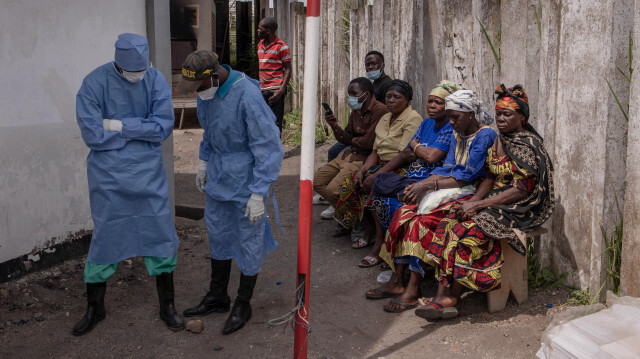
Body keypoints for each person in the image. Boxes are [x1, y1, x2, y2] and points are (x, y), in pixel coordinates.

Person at [73, 33, 183, 335]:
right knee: (107, 235)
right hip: (109, 177)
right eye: (131, 72)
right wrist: (139, 127)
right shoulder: (94, 83)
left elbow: (162, 127)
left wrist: (118, 124)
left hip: (148, 174)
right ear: (118, 65)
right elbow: (92, 134)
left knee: (159, 232)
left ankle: (167, 307)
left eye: (141, 70)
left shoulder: (155, 79)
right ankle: (95, 309)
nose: (138, 77)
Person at [414, 85, 554, 320]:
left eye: (507, 114)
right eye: (498, 113)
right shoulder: (501, 140)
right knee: (448, 222)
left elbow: (522, 190)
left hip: (520, 206)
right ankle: (442, 296)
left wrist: (478, 206)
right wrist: (472, 202)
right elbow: (489, 177)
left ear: (522, 117)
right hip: (493, 201)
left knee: (463, 232)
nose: (500, 118)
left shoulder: (528, 144)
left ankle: (451, 297)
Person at [176, 50, 284, 334]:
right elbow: (210, 134)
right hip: (220, 179)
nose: (196, 93)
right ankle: (218, 296)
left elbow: (268, 147)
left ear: (213, 76)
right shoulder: (207, 94)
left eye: (198, 86)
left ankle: (243, 302)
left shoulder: (246, 95)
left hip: (247, 182)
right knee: (219, 233)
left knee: (249, 240)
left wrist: (259, 193)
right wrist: (202, 164)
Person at [366, 89, 498, 313]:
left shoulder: (485, 136)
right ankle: (398, 282)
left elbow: (466, 175)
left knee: (421, 221)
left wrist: (428, 185)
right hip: (450, 185)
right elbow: (447, 168)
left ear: (470, 114)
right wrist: (420, 184)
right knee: (402, 213)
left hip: (469, 191)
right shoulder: (458, 133)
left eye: (455, 117)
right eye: (451, 116)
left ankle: (413, 289)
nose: (452, 121)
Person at [357, 81, 461, 268]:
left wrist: (417, 146)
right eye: (430, 101)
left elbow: (431, 156)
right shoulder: (427, 123)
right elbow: (407, 151)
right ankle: (385, 246)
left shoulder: (450, 128)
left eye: (439, 102)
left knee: (396, 204)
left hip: (430, 180)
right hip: (411, 175)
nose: (432, 106)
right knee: (376, 191)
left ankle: (399, 259)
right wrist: (418, 148)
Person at [333, 80, 423, 244]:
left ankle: (379, 239)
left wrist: (376, 175)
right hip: (380, 164)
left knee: (374, 188)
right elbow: (376, 150)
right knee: (353, 182)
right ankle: (367, 228)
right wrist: (363, 170)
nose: (391, 100)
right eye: (388, 96)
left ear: (407, 100)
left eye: (397, 97)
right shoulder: (386, 118)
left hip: (399, 168)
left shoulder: (413, 119)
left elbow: (404, 155)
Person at [313, 78, 389, 227]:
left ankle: (356, 221)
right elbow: (346, 138)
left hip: (363, 158)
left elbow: (368, 143)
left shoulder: (380, 111)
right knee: (317, 181)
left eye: (354, 94)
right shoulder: (356, 110)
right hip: (348, 155)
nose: (351, 98)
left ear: (366, 94)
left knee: (332, 190)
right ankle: (348, 214)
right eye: (349, 94)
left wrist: (354, 139)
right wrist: (334, 124)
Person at [320, 50, 393, 173]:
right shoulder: (373, 84)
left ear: (383, 65)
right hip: (358, 134)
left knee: (343, 154)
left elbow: (383, 116)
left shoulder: (387, 86)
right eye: (367, 64)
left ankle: (341, 186)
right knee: (333, 151)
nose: (370, 67)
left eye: (374, 64)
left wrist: (353, 140)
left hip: (370, 135)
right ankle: (330, 180)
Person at [257, 17, 292, 135]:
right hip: (262, 89)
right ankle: (267, 149)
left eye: (259, 29)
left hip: (275, 90)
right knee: (263, 121)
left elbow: (288, 69)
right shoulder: (260, 45)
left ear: (268, 31)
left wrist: (281, 91)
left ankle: (276, 151)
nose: (257, 31)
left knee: (276, 121)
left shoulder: (282, 47)